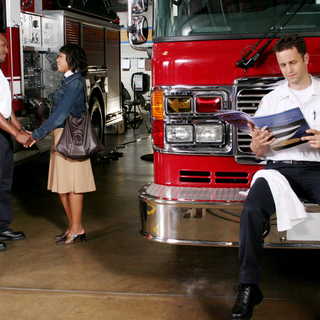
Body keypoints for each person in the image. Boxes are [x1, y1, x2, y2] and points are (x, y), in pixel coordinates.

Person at [232, 34, 320, 319]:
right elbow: (257, 150)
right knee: (252, 211)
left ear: (306, 59)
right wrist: (258, 144)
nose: (289, 70)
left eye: (293, 62)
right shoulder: (271, 99)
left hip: (316, 169)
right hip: (278, 171)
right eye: (283, 65)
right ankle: (248, 287)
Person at [27, 44, 96, 245]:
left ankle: (76, 228)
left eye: (60, 57)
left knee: (73, 186)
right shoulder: (68, 81)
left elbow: (60, 115)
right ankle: (74, 226)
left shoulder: (75, 83)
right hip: (62, 135)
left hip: (70, 136)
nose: (57, 60)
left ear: (71, 60)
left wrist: (37, 134)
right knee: (63, 186)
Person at [0, 33, 28, 251]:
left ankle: (2, 226)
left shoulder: (0, 72)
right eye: (3, 46)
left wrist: (20, 129)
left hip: (3, 136)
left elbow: (6, 109)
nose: (7, 51)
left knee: (4, 182)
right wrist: (15, 134)